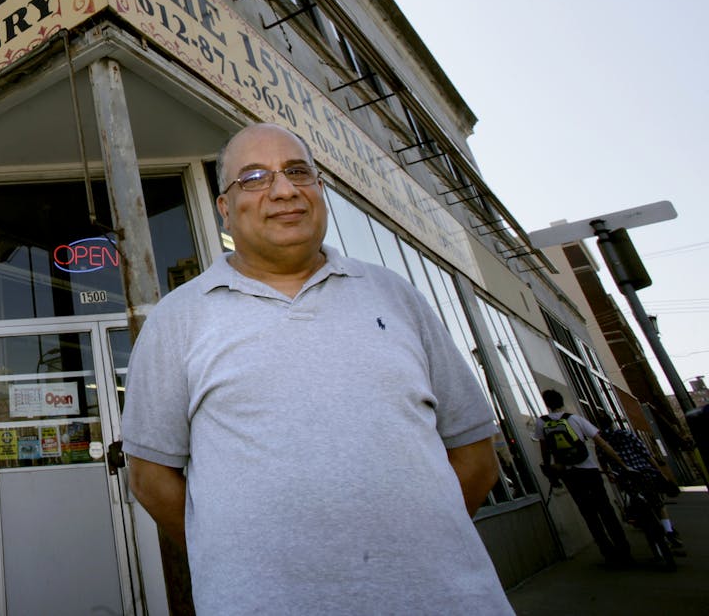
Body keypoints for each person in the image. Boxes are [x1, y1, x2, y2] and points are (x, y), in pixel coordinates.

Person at [122, 123, 511, 613]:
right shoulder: (177, 319)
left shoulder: (396, 295)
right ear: (224, 207)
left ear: (319, 190)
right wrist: (236, 561)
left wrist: (414, 549)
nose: (284, 190)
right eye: (256, 177)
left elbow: (476, 455)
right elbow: (150, 478)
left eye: (297, 172)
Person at [532, 390, 634, 564]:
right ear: (562, 401)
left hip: (568, 473)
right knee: (606, 510)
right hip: (589, 470)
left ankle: (607, 552)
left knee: (588, 514)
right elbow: (601, 443)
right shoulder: (575, 419)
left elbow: (545, 448)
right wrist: (623, 465)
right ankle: (623, 550)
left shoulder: (542, 423)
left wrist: (550, 470)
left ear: (547, 404)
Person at [598, 423, 684, 550]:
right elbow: (646, 454)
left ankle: (656, 545)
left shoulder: (601, 440)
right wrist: (660, 473)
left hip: (625, 477)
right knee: (658, 504)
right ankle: (668, 530)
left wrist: (610, 474)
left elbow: (602, 460)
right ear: (611, 423)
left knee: (637, 505)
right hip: (644, 473)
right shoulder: (627, 434)